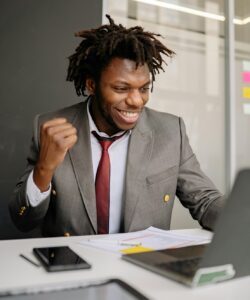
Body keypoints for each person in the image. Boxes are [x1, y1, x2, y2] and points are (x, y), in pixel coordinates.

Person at [9, 15, 224, 237]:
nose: (136, 101)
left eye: (143, 89)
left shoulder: (170, 131)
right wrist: (44, 169)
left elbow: (206, 201)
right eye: (121, 88)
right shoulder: (50, 128)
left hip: (143, 265)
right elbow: (22, 220)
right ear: (92, 85)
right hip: (72, 268)